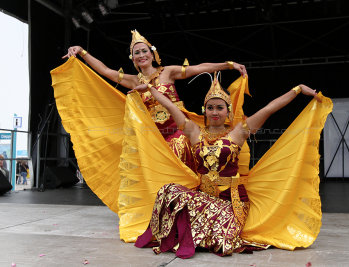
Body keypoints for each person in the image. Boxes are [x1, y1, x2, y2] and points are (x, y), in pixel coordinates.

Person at [128, 73, 331, 257]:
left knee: (219, 240)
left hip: (232, 203)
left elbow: (269, 108)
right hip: (203, 198)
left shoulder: (239, 132)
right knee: (168, 191)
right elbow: (171, 107)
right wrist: (150, 90)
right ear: (204, 110)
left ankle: (203, 232)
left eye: (219, 107)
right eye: (210, 107)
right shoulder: (193, 131)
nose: (215, 112)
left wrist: (297, 89)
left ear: (228, 111)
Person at [62, 30, 247, 170]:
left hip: (176, 133)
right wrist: (82, 52)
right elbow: (105, 71)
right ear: (133, 58)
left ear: (152, 53)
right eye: (137, 53)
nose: (141, 55)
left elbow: (199, 68)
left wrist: (228, 65)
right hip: (151, 137)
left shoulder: (168, 72)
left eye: (144, 51)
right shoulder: (133, 80)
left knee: (181, 160)